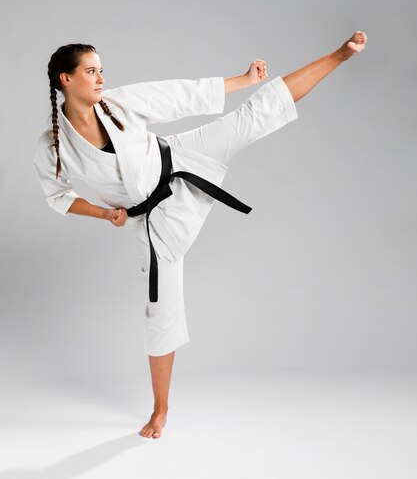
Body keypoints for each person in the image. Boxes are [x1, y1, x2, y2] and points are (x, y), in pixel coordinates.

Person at [33, 31, 367, 439]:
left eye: (102, 70)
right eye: (91, 71)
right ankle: (161, 409)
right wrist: (104, 213)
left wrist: (242, 80)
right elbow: (58, 196)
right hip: (151, 222)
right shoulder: (52, 147)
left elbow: (178, 95)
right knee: (160, 312)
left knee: (255, 115)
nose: (101, 77)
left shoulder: (118, 103)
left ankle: (337, 55)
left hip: (180, 160)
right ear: (66, 80)